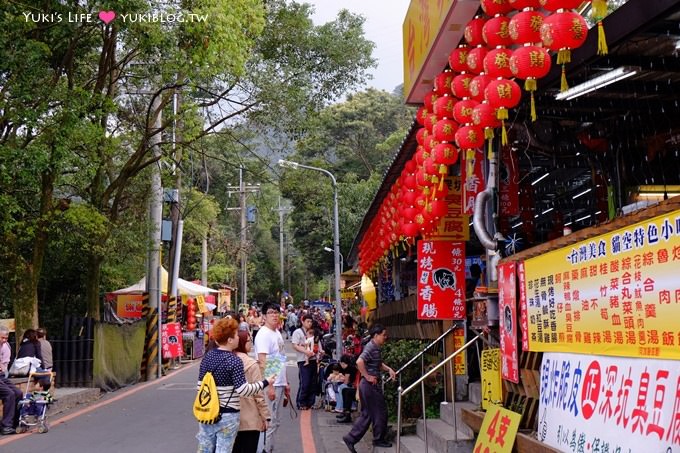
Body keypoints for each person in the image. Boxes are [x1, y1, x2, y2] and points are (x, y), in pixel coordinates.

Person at [196, 317, 274, 453]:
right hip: (228, 415)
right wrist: (265, 382)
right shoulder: (234, 361)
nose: (238, 338)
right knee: (223, 449)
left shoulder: (207, 357)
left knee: (205, 449)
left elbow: (200, 387)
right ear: (230, 340)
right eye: (236, 335)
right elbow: (243, 390)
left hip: (207, 413)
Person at [342, 324, 396, 452]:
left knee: (367, 414)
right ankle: (378, 439)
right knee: (380, 412)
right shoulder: (371, 347)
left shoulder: (375, 347)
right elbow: (359, 362)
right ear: (376, 335)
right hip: (369, 385)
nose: (385, 337)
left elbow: (377, 363)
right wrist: (367, 376)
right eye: (383, 335)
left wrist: (389, 369)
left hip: (367, 385)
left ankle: (351, 438)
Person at [254, 301, 288, 453]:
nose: (274, 315)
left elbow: (280, 359)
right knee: (268, 421)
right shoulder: (263, 334)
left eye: (276, 312)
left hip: (279, 383)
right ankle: (263, 450)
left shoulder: (277, 332)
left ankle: (268, 449)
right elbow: (263, 361)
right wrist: (270, 386)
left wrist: (285, 383)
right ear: (264, 316)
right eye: (270, 312)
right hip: (270, 385)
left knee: (275, 421)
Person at [233, 330, 270, 453]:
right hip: (250, 418)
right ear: (241, 342)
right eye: (249, 341)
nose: (251, 344)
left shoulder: (227, 360)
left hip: (230, 417)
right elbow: (258, 394)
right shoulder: (251, 364)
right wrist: (265, 416)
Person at [291, 314, 317, 411]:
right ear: (303, 322)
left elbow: (317, 343)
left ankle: (310, 402)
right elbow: (295, 345)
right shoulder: (298, 332)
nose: (309, 323)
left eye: (311, 322)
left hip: (313, 359)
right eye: (308, 321)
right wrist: (306, 351)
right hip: (302, 360)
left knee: (313, 382)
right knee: (305, 382)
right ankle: (301, 402)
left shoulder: (313, 332)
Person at [335, 355, 358, 423]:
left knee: (342, 388)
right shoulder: (353, 368)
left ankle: (342, 410)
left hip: (355, 387)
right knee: (344, 389)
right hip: (354, 387)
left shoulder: (349, 368)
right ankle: (345, 412)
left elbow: (346, 382)